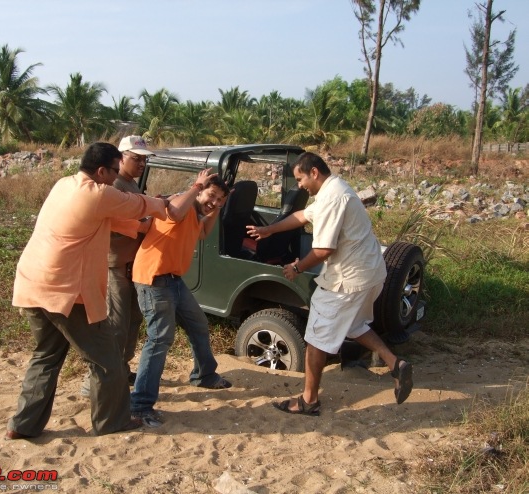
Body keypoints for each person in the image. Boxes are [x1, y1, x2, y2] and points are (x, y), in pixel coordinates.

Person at [6, 142, 169, 439]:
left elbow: (115, 218)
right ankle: (111, 422)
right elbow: (138, 205)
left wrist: (141, 222)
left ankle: (22, 425)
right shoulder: (99, 192)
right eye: (114, 172)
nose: (116, 179)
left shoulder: (64, 184)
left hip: (33, 282)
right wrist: (162, 205)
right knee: (107, 361)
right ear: (101, 170)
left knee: (46, 357)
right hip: (65, 292)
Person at [246, 152, 413, 416]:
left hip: (346, 280)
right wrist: (269, 230)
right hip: (372, 275)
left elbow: (323, 250)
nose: (299, 185)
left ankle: (308, 401)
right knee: (355, 324)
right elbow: (302, 215)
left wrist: (296, 268)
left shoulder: (332, 199)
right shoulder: (335, 188)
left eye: (300, 179)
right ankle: (396, 364)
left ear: (314, 172)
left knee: (315, 339)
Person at [130, 169, 232, 428]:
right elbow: (173, 212)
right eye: (212, 195)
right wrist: (197, 187)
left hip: (173, 280)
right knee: (160, 339)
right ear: (199, 188)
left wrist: (216, 206)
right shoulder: (179, 202)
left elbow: (203, 233)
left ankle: (204, 375)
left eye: (221, 198)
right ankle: (139, 406)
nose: (215, 201)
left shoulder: (196, 213)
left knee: (198, 324)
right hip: (154, 279)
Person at [80, 136, 153, 398]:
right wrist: (141, 224)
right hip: (115, 265)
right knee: (116, 323)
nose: (142, 163)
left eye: (144, 158)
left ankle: (120, 367)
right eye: (137, 158)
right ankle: (95, 382)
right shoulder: (114, 186)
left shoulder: (129, 183)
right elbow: (110, 227)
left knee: (132, 319)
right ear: (121, 158)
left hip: (131, 264)